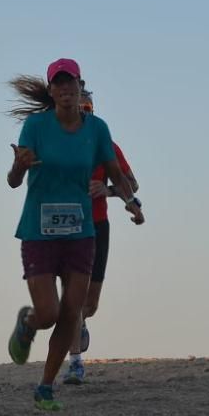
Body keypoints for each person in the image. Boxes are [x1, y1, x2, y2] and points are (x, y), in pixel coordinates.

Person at [5, 58, 144, 411]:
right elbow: (13, 180)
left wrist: (130, 201)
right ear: (51, 91)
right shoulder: (35, 126)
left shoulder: (97, 129)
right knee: (49, 312)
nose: (67, 90)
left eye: (72, 84)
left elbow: (117, 170)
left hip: (82, 231)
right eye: (59, 84)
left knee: (74, 311)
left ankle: (46, 386)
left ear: (80, 86)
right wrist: (19, 165)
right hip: (39, 230)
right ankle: (28, 322)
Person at [63, 89, 141, 385]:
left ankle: (81, 322)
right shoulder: (60, 145)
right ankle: (75, 363)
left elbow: (132, 183)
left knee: (89, 304)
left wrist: (106, 190)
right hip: (67, 228)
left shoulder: (107, 145)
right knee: (71, 297)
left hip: (98, 225)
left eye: (87, 108)